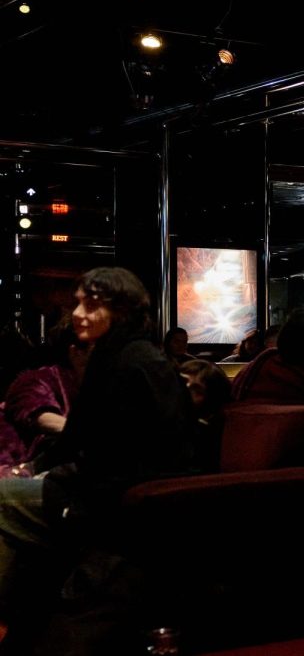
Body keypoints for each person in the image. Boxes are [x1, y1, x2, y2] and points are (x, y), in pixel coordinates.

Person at [0, 267, 196, 644]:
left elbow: (108, 453)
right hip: (132, 491)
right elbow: (89, 441)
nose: (77, 314)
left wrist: (51, 478)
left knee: (3, 497)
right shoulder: (134, 355)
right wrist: (40, 468)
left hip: (121, 503)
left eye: (91, 306)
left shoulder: (124, 363)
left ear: (121, 311)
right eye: (77, 303)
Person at [0, 316, 84, 473]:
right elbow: (44, 419)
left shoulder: (95, 386)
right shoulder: (37, 380)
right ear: (76, 353)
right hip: (12, 475)